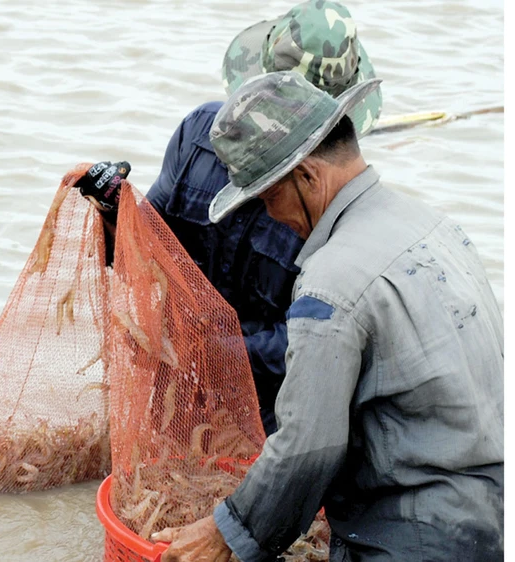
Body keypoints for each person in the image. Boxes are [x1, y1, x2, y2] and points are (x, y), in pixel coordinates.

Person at [150, 71, 503, 561]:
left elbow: (306, 448)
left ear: (309, 176)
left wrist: (225, 534)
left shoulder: (331, 280)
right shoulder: (438, 228)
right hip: (491, 517)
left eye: (268, 198)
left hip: (410, 538)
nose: (272, 216)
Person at [77, 0, 382, 435]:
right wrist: (115, 210)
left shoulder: (341, 208)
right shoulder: (198, 135)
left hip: (268, 417)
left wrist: (222, 353)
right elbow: (152, 248)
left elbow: (319, 340)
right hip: (171, 384)